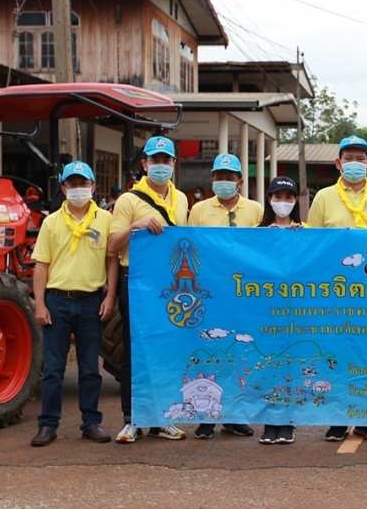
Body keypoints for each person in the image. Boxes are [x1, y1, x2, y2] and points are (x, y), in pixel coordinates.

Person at [307, 134, 367, 442]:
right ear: (338, 163)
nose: (354, 164)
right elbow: (313, 244)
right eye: (348, 158)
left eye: (360, 158)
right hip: (336, 292)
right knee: (335, 353)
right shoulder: (323, 197)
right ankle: (336, 418)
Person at [108, 135, 190, 444]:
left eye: (165, 160)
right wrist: (135, 227)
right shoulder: (129, 200)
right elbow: (112, 245)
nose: (160, 165)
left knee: (168, 350)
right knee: (135, 350)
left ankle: (162, 419)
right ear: (145, 164)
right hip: (138, 281)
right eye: (154, 160)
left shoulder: (181, 199)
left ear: (173, 164)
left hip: (169, 284)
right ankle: (132, 419)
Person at [30, 161, 119, 447]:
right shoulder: (51, 222)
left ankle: (91, 422)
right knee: (54, 368)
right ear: (63, 188)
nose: (78, 189)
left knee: (90, 368)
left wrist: (109, 296)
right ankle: (48, 424)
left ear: (93, 187)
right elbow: (41, 266)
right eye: (73, 184)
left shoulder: (105, 220)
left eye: (84, 184)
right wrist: (40, 304)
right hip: (57, 301)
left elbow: (111, 261)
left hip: (91, 301)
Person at [187, 153, 262, 439]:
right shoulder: (198, 210)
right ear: (212, 180)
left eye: (229, 178)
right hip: (210, 291)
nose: (224, 182)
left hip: (244, 293)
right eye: (219, 177)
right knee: (207, 352)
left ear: (240, 181)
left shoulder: (255, 210)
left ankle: (235, 415)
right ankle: (206, 416)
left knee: (240, 353)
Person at [256, 175, 304, 445]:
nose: (282, 202)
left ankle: (288, 422)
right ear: (269, 199)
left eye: (288, 198)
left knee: (291, 364)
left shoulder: (305, 231)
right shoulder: (258, 232)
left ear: (295, 201)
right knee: (266, 364)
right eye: (277, 197)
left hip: (294, 310)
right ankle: (268, 422)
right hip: (265, 310)